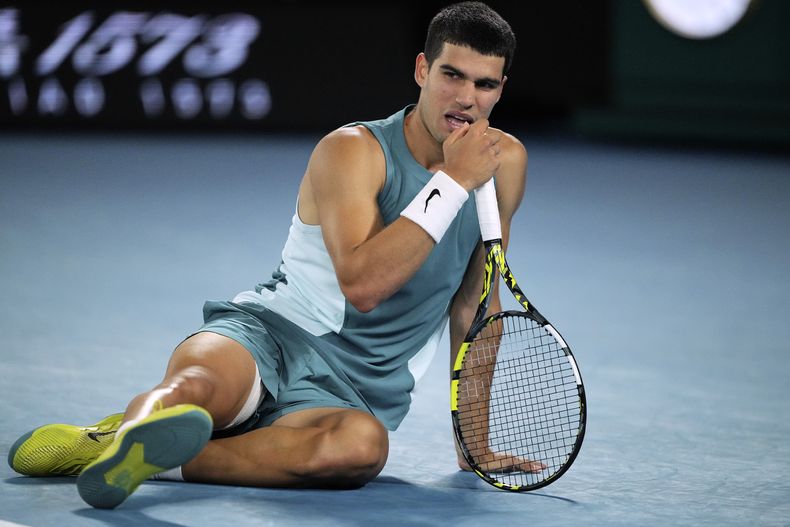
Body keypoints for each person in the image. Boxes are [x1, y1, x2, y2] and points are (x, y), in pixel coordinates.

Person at [8, 1, 534, 508]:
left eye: (484, 84)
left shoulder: (505, 163)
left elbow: (475, 306)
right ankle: (134, 435)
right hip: (269, 337)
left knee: (361, 450)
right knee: (196, 386)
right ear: (422, 70)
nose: (466, 97)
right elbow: (363, 285)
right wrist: (453, 181)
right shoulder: (352, 150)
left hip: (351, 393)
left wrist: (474, 442)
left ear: (501, 90)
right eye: (452, 75)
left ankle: (144, 457)